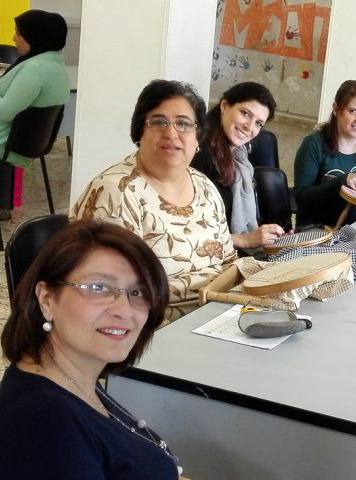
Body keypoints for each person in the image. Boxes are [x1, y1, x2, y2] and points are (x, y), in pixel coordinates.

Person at [0, 220, 181, 479]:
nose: (124, 311)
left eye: (138, 292)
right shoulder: (45, 425)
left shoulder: (72, 377)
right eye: (98, 288)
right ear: (47, 299)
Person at [71, 80, 237, 321]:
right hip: (146, 328)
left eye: (183, 124)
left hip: (211, 318)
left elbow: (230, 262)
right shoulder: (117, 193)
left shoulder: (204, 186)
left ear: (198, 137)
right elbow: (111, 293)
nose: (171, 134)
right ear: (140, 131)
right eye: (158, 122)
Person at [191, 81, 285, 251]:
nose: (249, 127)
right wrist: (244, 240)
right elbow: (190, 229)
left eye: (258, 123)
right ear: (225, 106)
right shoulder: (200, 153)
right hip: (211, 257)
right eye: (245, 113)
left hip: (230, 249)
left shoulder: (239, 156)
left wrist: (270, 234)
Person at [0, 10, 70, 220]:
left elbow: (4, 112)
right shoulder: (55, 65)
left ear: (34, 36)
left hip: (7, 143)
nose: (13, 38)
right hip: (27, 142)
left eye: (18, 33)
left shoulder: (35, 69)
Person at [293, 80, 356, 227]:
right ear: (336, 109)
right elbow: (302, 198)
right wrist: (343, 181)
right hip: (316, 227)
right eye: (353, 111)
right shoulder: (313, 144)